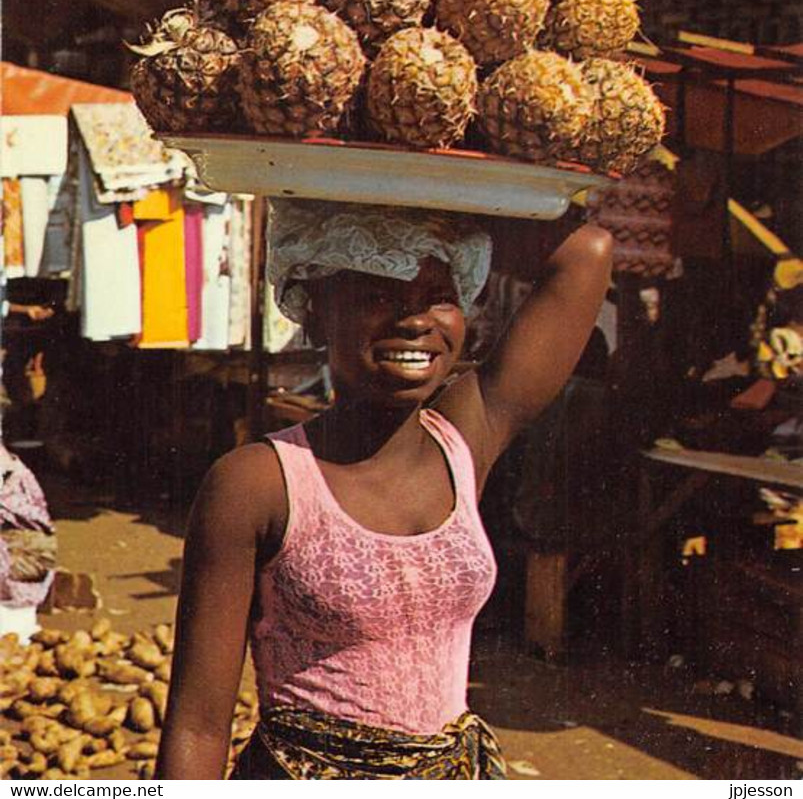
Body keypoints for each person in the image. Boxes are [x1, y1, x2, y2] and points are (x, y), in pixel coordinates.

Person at [156, 201, 612, 780]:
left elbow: (586, 253)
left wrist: (447, 191)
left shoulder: (466, 439)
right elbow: (197, 724)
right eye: (378, 294)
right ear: (315, 311)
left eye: (439, 294)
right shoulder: (260, 483)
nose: (415, 320)